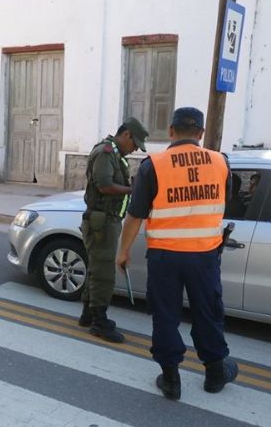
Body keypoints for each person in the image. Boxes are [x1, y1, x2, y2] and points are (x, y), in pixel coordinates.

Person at [116, 107, 238, 401]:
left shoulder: (153, 165)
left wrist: (123, 252)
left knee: (166, 316)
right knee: (208, 312)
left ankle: (171, 379)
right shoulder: (221, 163)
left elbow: (135, 216)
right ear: (201, 134)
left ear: (171, 131)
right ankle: (215, 372)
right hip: (204, 256)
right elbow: (226, 201)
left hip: (164, 258)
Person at [79, 117, 148, 343]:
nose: (135, 148)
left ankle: (88, 314)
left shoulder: (116, 154)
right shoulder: (107, 152)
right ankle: (99, 322)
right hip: (102, 221)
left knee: (96, 269)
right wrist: (132, 190)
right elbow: (105, 185)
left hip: (106, 220)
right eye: (135, 143)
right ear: (126, 134)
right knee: (104, 273)